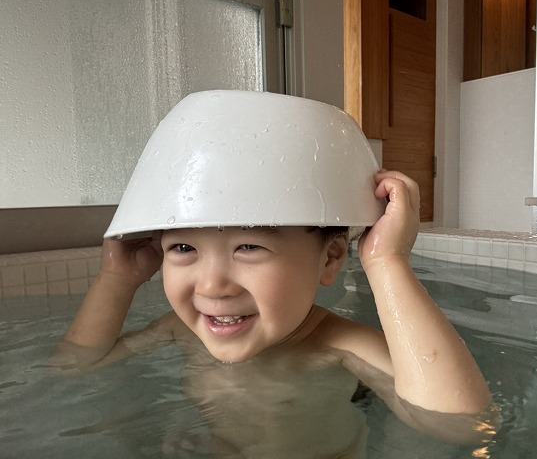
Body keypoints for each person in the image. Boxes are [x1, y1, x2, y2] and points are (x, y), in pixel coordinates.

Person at [53, 91, 495, 457]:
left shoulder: (338, 344)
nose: (212, 285)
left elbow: (460, 424)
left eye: (249, 247)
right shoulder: (181, 329)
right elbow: (74, 368)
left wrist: (386, 262)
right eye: (183, 248)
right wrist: (116, 281)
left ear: (330, 258)